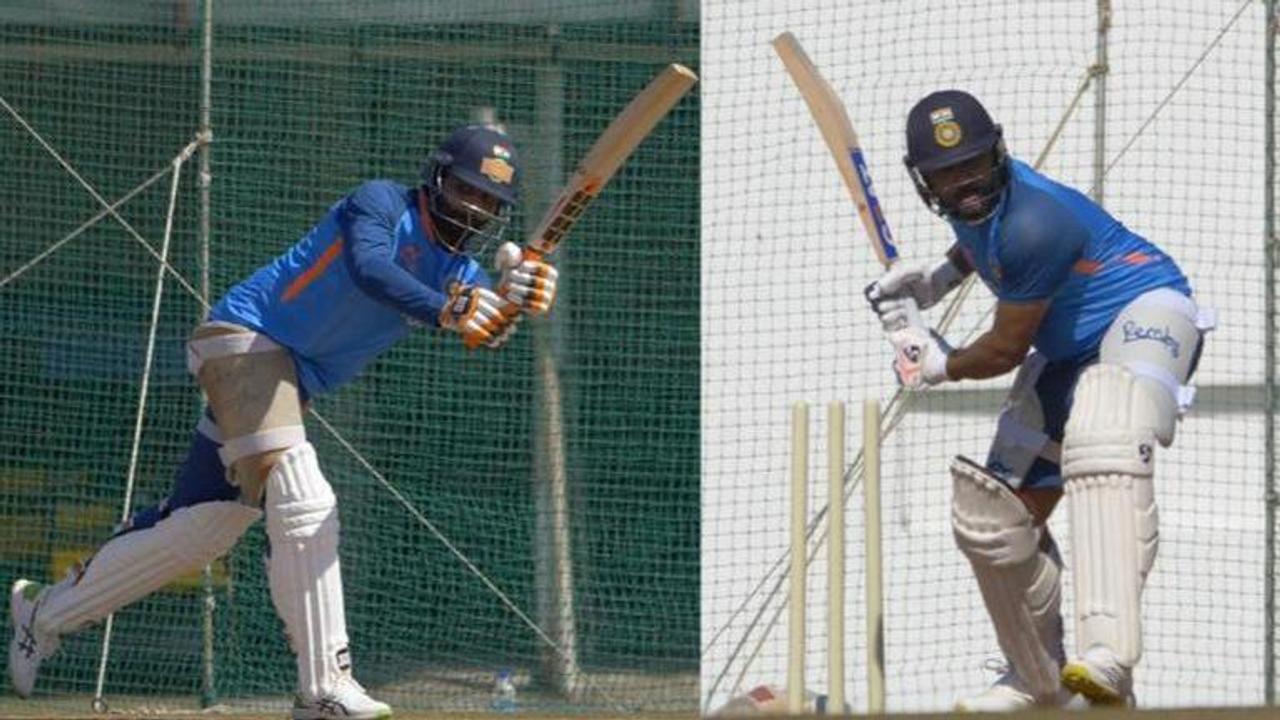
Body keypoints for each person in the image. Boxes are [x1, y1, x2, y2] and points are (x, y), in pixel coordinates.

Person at [8, 124, 558, 720]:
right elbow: (372, 268)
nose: (472, 208)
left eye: (487, 202)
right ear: (436, 178)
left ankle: (42, 613)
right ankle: (322, 687)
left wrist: (512, 298)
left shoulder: (459, 272)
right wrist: (457, 307)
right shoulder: (379, 202)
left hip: (290, 384)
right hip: (245, 341)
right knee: (304, 494)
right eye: (465, 190)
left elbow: (483, 325)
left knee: (204, 526)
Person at [865, 90, 1213, 711]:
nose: (963, 182)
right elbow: (978, 239)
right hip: (1069, 344)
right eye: (945, 173)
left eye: (972, 164)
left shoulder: (1035, 221)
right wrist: (936, 282)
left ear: (998, 152)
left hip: (1144, 307)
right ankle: (1037, 675)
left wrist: (939, 364)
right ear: (925, 179)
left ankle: (1107, 659)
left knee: (1105, 433)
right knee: (992, 516)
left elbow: (1001, 349)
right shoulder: (974, 205)